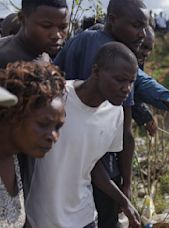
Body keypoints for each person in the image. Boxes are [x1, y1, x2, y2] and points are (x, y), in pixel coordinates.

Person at [54, 0, 169, 227]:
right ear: (113, 20)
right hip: (89, 161)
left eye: (144, 27)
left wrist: (150, 112)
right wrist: (125, 186)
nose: (142, 34)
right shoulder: (108, 51)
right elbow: (124, 129)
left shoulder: (90, 40)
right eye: (137, 26)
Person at [25, 42, 141, 228]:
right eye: (120, 80)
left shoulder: (115, 113)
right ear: (96, 71)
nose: (126, 88)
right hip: (39, 218)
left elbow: (91, 164)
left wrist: (124, 201)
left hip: (84, 218)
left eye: (131, 82)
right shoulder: (58, 98)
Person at [0, 61, 66, 227]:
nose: (53, 136)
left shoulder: (14, 157)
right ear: (13, 114)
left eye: (57, 127)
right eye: (43, 124)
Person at [0, 0, 69, 68]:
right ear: (22, 19)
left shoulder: (42, 52)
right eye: (46, 26)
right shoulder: (5, 59)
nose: (56, 35)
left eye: (63, 27)